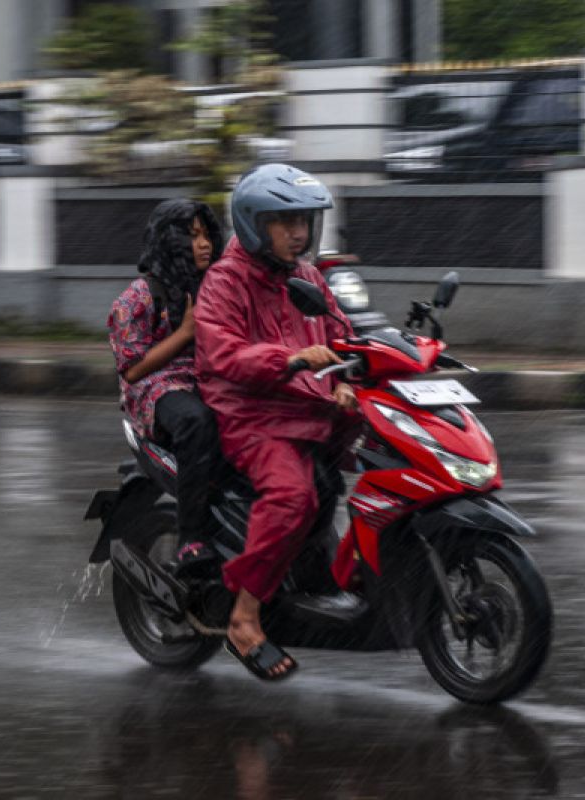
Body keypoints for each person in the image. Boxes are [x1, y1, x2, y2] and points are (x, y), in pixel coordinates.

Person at [195, 164, 361, 681]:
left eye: (305, 221)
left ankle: (325, 574)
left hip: (306, 404)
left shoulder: (307, 276)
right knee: (294, 497)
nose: (299, 233)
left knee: (381, 459)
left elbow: (340, 332)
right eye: (284, 221)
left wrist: (347, 374)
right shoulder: (226, 280)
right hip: (252, 412)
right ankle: (244, 619)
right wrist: (286, 360)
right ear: (252, 223)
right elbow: (223, 352)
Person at [108, 198, 224, 555]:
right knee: (196, 421)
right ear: (170, 241)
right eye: (192, 236)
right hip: (156, 387)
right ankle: (192, 538)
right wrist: (184, 333)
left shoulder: (214, 286)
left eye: (206, 235)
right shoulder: (139, 296)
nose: (204, 244)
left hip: (205, 378)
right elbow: (132, 369)